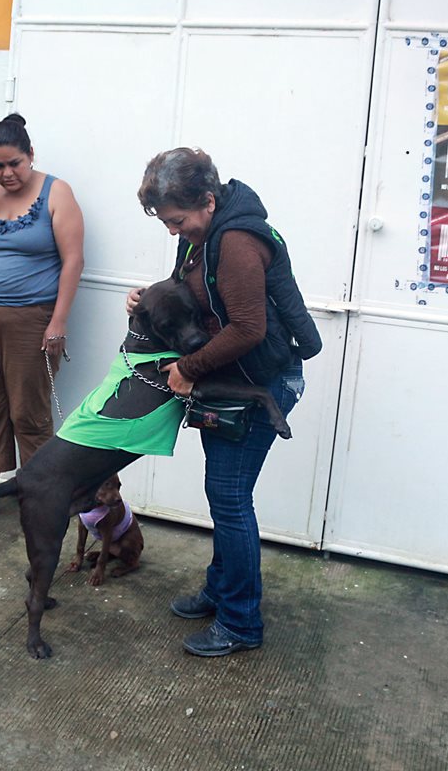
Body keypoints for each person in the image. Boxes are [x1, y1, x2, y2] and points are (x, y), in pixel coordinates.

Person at [129, 147, 320, 657]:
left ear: (208, 200)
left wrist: (188, 370)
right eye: (167, 223)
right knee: (224, 495)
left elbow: (248, 329)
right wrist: (146, 296)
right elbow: (192, 293)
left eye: (178, 220)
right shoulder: (205, 235)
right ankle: (221, 590)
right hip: (233, 377)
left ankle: (240, 622)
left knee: (231, 500)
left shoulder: (234, 240)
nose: (173, 230)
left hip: (263, 382)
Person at [0, 114, 85, 530]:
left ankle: (39, 497)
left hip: (30, 320)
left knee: (30, 413)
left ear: (30, 155)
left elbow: (73, 260)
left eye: (14, 164)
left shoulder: (56, 192)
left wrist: (57, 323)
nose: (6, 173)